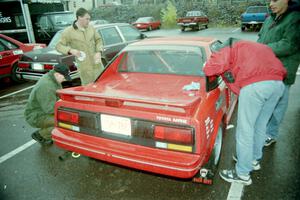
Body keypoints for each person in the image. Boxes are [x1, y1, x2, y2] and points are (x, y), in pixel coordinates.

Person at [203, 38, 286, 185]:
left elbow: (210, 68)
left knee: (245, 130)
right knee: (260, 125)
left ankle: (242, 174)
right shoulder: (253, 47)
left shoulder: (227, 46)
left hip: (256, 85)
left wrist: (206, 65)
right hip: (277, 84)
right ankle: (253, 159)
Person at [257, 0, 300, 146]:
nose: (270, 4)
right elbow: (260, 38)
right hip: (266, 69)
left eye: (274, 0)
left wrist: (262, 50)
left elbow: (290, 44)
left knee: (278, 105)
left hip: (283, 71)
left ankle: (271, 134)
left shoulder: (295, 18)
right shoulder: (270, 18)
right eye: (269, 0)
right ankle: (262, 130)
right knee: (265, 103)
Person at [24, 64, 72, 145]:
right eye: (64, 77)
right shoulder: (47, 86)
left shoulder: (53, 78)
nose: (64, 80)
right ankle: (41, 135)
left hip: (42, 111)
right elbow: (50, 109)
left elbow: (59, 96)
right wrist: (67, 111)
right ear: (57, 74)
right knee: (65, 121)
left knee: (66, 117)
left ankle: (46, 129)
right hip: (36, 116)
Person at [56, 7, 104, 85]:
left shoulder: (91, 28)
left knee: (102, 86)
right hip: (84, 68)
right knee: (89, 90)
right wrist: (71, 50)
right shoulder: (68, 32)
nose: (89, 21)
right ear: (79, 17)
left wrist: (98, 52)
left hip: (97, 65)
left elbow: (99, 40)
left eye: (89, 19)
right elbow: (58, 46)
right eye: (87, 19)